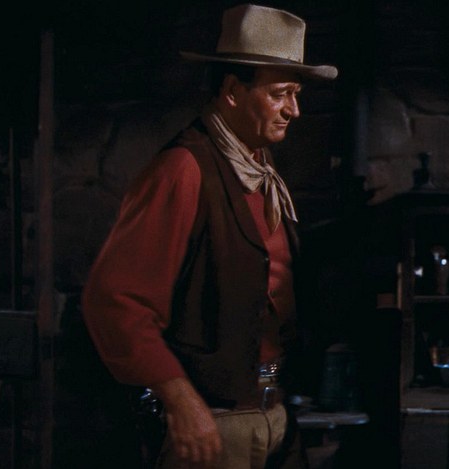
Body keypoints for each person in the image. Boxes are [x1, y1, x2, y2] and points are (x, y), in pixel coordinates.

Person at [81, 4, 337, 469]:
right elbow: (115, 302)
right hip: (212, 426)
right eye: (280, 94)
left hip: (273, 416)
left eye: (296, 95)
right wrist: (181, 401)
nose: (294, 110)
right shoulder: (183, 170)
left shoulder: (259, 171)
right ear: (233, 91)